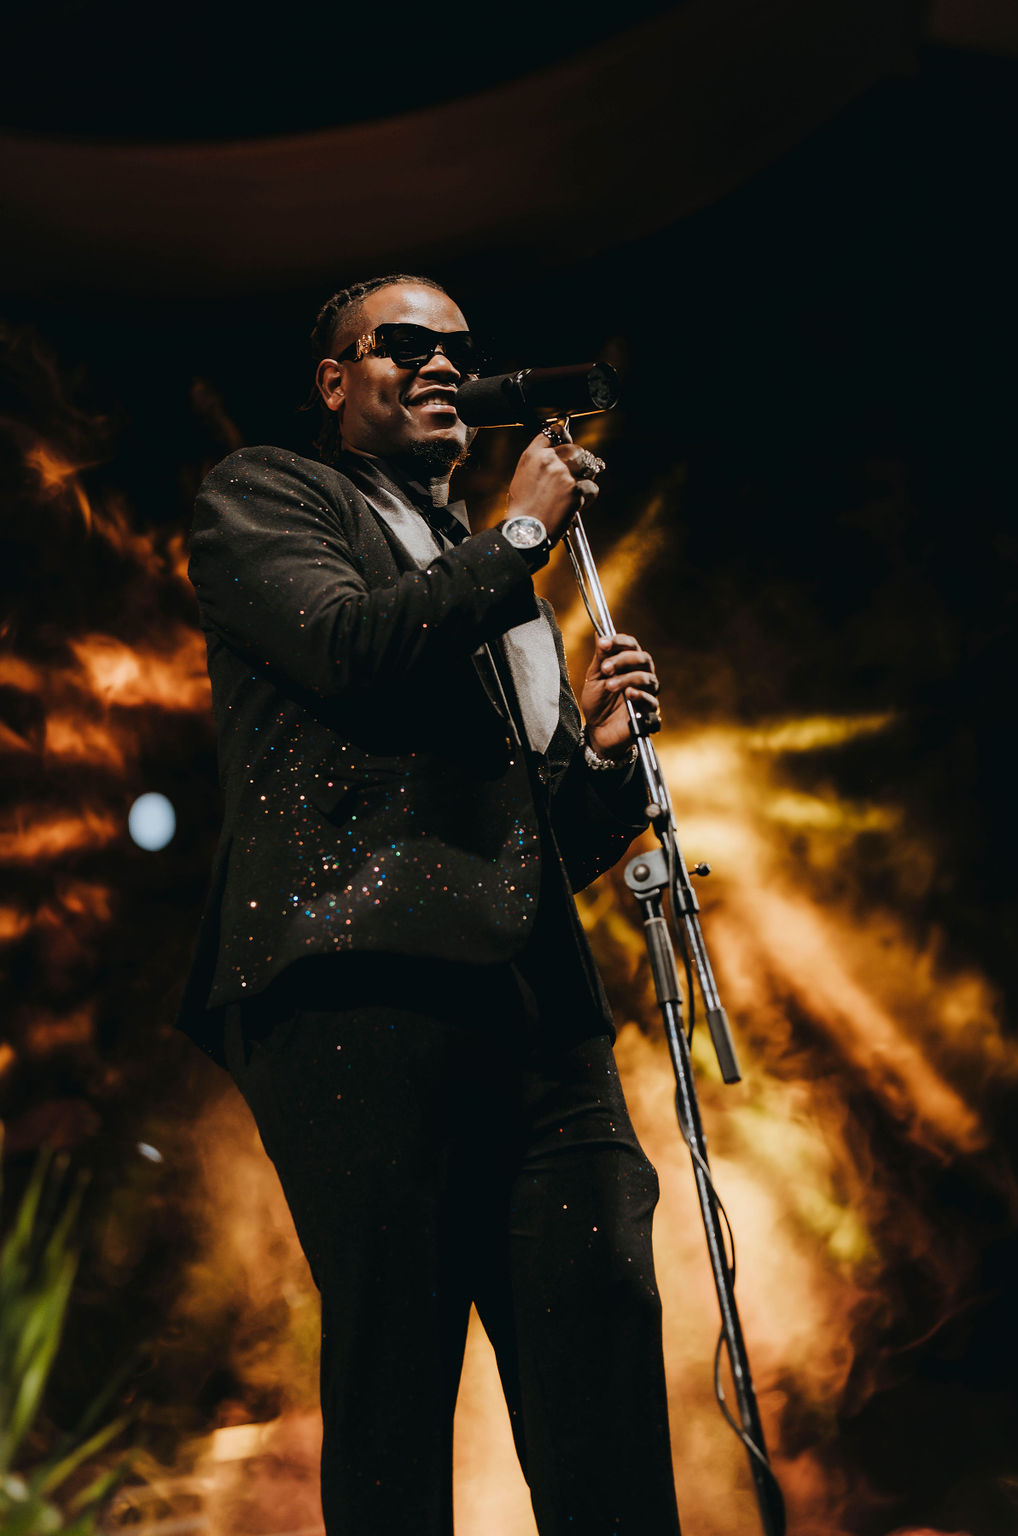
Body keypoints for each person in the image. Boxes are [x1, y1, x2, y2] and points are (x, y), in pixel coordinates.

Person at [179, 273, 682, 1536]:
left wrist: (599, 766)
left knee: (603, 1338)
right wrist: (514, 541)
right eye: (402, 344)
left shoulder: (497, 586)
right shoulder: (268, 494)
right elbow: (347, 650)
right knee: (397, 1366)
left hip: (537, 1006)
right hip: (358, 982)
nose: (443, 364)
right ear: (333, 381)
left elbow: (527, 848)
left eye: (458, 348)